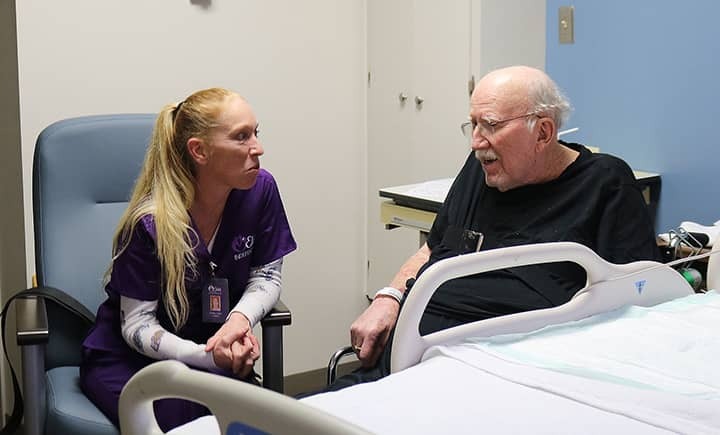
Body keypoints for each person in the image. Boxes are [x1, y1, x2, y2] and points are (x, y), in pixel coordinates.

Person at [330, 65, 661, 391]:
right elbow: (432, 248)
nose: (476, 142)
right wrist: (388, 298)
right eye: (472, 124)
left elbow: (638, 299)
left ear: (543, 132)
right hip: (407, 354)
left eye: (489, 125)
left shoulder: (604, 185)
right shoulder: (481, 172)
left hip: (496, 374)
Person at [80, 88, 296, 431]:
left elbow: (267, 277)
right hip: (133, 361)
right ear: (199, 151)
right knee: (183, 421)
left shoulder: (260, 190)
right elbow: (136, 325)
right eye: (241, 137)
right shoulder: (150, 223)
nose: (258, 148)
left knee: (249, 419)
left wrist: (237, 322)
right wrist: (203, 358)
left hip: (212, 350)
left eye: (256, 132)